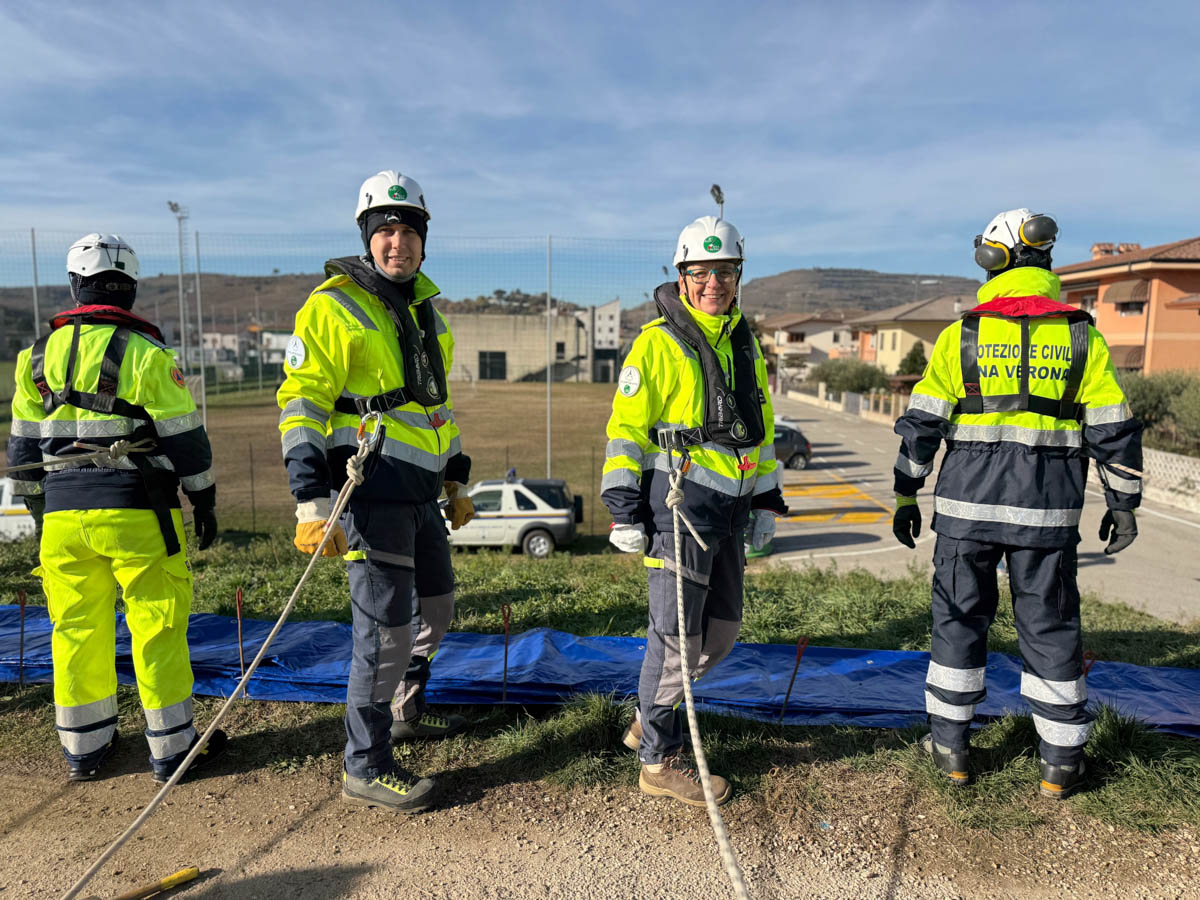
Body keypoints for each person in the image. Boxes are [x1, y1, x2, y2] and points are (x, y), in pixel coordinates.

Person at [891, 209, 1143, 798]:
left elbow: (922, 427)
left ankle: (951, 748)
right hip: (1048, 516)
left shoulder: (963, 336)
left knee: (957, 621)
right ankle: (1060, 762)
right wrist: (1123, 501)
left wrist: (906, 492)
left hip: (964, 514)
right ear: (1047, 260)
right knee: (1051, 627)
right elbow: (1113, 428)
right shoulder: (1083, 335)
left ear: (991, 261)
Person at [277, 170, 474, 813]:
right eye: (385, 230)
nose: (398, 242)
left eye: (409, 230)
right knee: (384, 632)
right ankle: (366, 763)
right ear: (367, 236)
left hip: (419, 494)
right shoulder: (332, 306)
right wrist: (311, 500)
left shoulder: (427, 316)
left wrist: (454, 477)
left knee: (437, 611)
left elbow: (434, 410)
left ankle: (403, 699)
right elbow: (302, 402)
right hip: (368, 492)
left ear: (423, 240)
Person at [6, 234, 225, 783]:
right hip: (135, 511)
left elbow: (22, 450)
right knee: (157, 624)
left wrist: (40, 514)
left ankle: (86, 747)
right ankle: (173, 749)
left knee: (76, 627)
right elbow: (185, 436)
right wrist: (203, 499)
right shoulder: (148, 355)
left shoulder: (34, 358)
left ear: (75, 286)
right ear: (129, 291)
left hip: (61, 517)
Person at [601, 215, 786, 807]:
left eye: (725, 271)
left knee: (722, 635)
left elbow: (760, 430)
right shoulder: (657, 343)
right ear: (681, 277)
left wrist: (764, 498)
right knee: (677, 641)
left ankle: (647, 717)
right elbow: (626, 430)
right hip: (677, 507)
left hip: (730, 512)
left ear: (738, 276)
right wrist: (625, 511)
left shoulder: (744, 344)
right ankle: (657, 761)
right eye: (701, 272)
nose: (714, 282)